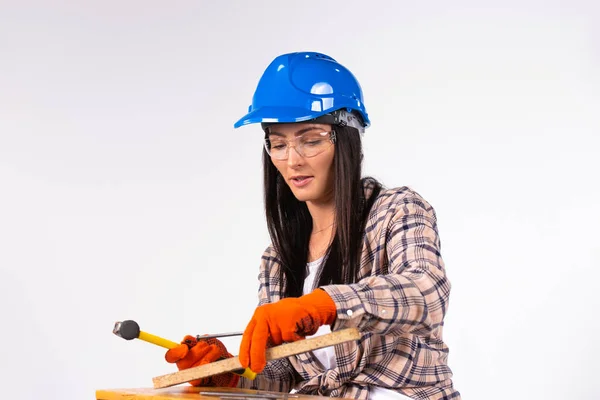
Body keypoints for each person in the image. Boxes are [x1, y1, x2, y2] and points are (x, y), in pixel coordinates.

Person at [164, 51, 461, 400]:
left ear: (347, 140)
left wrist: (324, 304)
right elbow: (284, 372)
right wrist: (227, 374)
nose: (293, 160)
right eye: (278, 143)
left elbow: (426, 293)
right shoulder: (277, 259)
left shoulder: (397, 210)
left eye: (311, 139)